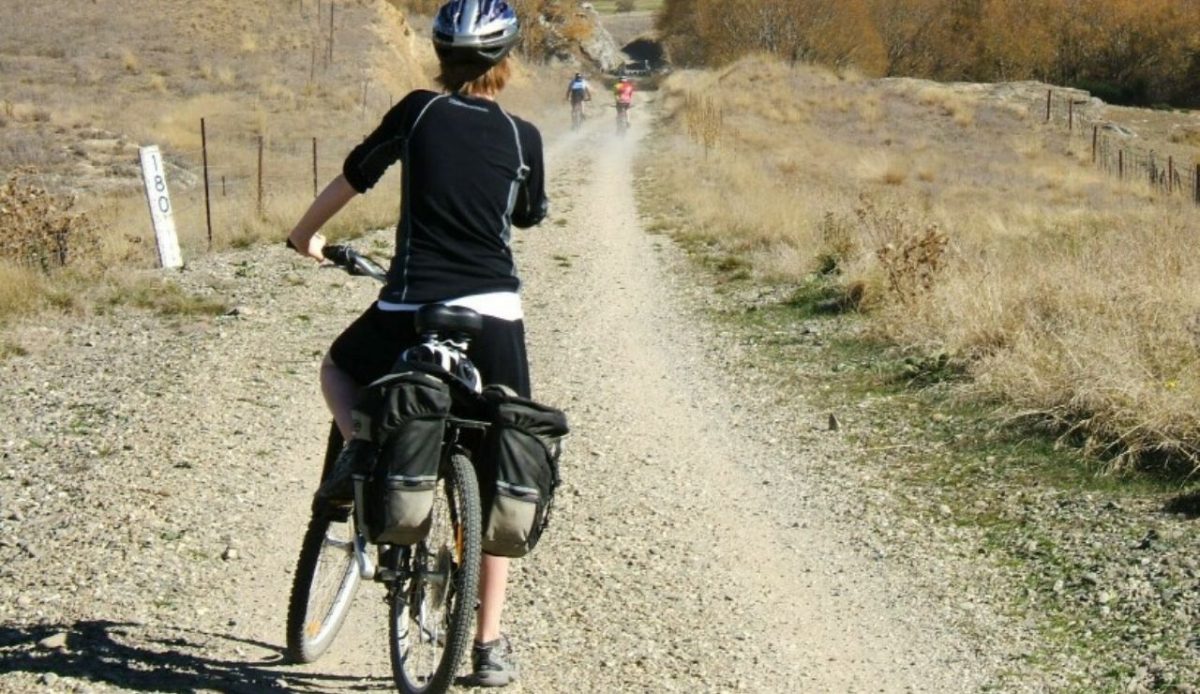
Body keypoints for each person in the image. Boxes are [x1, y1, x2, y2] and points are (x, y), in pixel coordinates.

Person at [285, 0, 548, 686]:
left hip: (410, 303)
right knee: (499, 464)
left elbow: (356, 174)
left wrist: (305, 236)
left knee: (339, 367)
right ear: (505, 62)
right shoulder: (524, 136)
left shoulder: (417, 112)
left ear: (439, 57)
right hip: (494, 316)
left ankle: (361, 449)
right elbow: (529, 215)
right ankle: (487, 645)